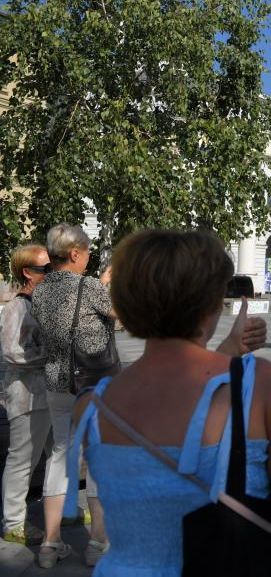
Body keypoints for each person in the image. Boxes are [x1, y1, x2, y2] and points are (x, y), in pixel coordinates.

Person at [64, 229, 271, 574]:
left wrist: (229, 348)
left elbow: (169, 398)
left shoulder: (91, 406)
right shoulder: (257, 383)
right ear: (210, 304)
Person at [30, 224, 111, 568]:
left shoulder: (41, 290)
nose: (89, 258)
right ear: (75, 253)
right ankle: (96, 543)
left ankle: (49, 544)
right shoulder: (91, 286)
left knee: (60, 453)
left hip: (57, 383)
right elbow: (119, 315)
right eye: (88, 252)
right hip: (91, 384)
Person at [1, 245, 50, 546]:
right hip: (26, 396)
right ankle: (13, 522)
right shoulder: (17, 308)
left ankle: (62, 509)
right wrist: (54, 353)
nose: (53, 272)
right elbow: (12, 353)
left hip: (49, 393)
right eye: (46, 268)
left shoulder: (41, 303)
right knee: (23, 460)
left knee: (60, 453)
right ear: (28, 273)